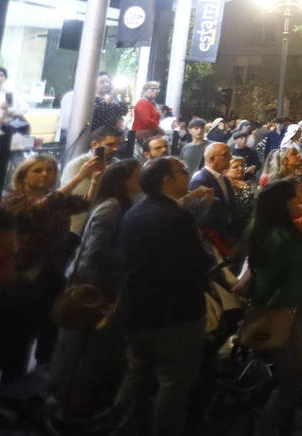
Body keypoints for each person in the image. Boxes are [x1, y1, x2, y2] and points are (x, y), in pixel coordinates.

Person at [113, 157, 213, 435]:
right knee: (174, 385)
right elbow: (196, 262)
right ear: (166, 180)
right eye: (182, 171)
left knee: (136, 377)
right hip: (174, 315)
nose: (188, 175)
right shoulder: (177, 217)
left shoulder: (135, 211)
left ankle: (116, 426)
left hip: (138, 311)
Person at [51, 159, 140, 420]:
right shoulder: (111, 208)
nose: (141, 180)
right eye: (137, 176)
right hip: (93, 286)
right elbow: (95, 251)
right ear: (123, 181)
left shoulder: (120, 206)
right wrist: (129, 256)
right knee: (80, 346)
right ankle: (68, 404)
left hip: (100, 283)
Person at [247, 178, 302, 436]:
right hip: (287, 308)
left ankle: (285, 427)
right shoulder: (284, 236)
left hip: (281, 303)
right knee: (292, 378)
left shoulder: (262, 227)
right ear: (286, 203)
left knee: (286, 375)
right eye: (299, 198)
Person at [0, 153, 101, 374]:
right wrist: (79, 176)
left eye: (50, 170)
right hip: (24, 271)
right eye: (37, 170)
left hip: (52, 268)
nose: (45, 174)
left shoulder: (55, 197)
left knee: (49, 322)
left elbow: (82, 204)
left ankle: (42, 371)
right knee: (20, 326)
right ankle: (12, 378)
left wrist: (93, 180)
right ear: (23, 176)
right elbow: (40, 208)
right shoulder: (14, 198)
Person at [62, 125, 124, 234]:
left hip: (106, 225)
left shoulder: (117, 164)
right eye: (110, 145)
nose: (116, 149)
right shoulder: (79, 165)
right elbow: (85, 200)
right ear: (95, 145)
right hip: (80, 228)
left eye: (119, 144)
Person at [190, 141, 237, 247]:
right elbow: (200, 215)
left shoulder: (224, 179)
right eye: (225, 155)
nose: (230, 158)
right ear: (211, 159)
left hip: (227, 235)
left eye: (230, 154)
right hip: (213, 238)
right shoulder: (200, 180)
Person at [130, 81, 162, 155]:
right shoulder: (143, 102)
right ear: (145, 90)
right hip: (142, 137)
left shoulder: (150, 103)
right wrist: (158, 128)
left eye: (157, 89)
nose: (156, 91)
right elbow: (146, 121)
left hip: (147, 136)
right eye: (153, 89)